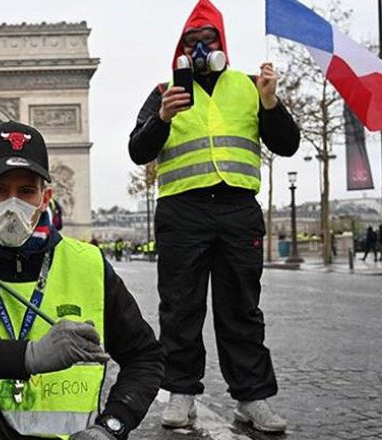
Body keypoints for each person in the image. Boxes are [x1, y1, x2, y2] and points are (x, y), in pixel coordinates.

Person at [0, 121, 164, 440]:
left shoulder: (88, 263)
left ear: (46, 196)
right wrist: (28, 355)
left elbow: (145, 355)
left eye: (26, 191)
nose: (13, 204)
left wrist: (113, 426)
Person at [127, 0, 300, 433]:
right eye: (192, 41)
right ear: (180, 48)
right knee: (180, 307)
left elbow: (288, 144)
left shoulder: (250, 86)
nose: (201, 48)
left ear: (224, 44)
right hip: (183, 210)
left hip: (238, 210)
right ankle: (180, 392)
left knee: (242, 309)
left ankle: (252, 398)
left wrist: (272, 101)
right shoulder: (164, 91)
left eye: (209, 40)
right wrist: (163, 118)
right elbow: (137, 151)